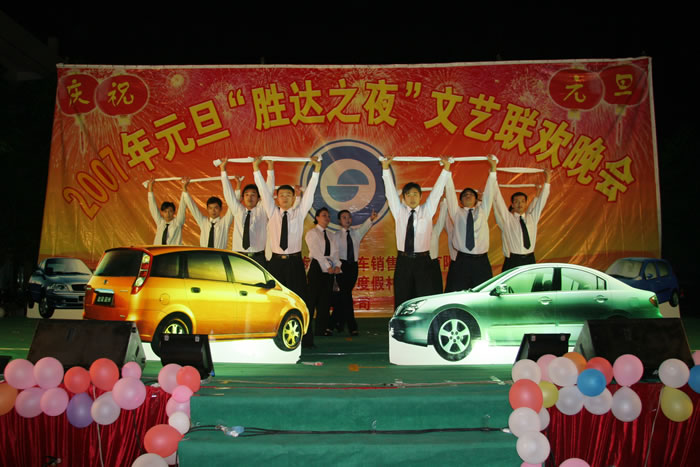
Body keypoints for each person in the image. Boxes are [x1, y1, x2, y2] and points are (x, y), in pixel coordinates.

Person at [254, 155, 321, 344]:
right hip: (275, 264)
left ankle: (305, 338)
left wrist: (316, 170)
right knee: (274, 300)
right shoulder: (272, 212)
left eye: (288, 195)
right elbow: (263, 191)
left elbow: (309, 194)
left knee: (300, 300)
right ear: (277, 198)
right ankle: (273, 338)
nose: (284, 198)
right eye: (281, 195)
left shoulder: (299, 214)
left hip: (294, 263)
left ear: (293, 199)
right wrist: (257, 169)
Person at [382, 156, 451, 309]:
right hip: (404, 261)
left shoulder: (427, 211)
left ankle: (424, 324)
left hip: (423, 262)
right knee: (402, 297)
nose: (412, 198)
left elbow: (437, 191)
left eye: (415, 194)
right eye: (408, 195)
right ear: (404, 198)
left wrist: (446, 169)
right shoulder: (399, 212)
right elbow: (390, 193)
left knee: (423, 298)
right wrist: (385, 169)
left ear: (420, 196)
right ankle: (401, 324)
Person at [444, 155, 497, 292]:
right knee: (457, 294)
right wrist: (447, 169)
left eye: (471, 195)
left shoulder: (483, 211)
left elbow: (489, 193)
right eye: (465, 195)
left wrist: (493, 168)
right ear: (460, 201)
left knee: (483, 294)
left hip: (481, 262)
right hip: (462, 261)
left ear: (476, 200)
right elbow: (450, 192)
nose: (468, 196)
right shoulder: (456, 213)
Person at [493, 167, 551, 272]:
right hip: (514, 260)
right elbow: (499, 199)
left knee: (530, 281)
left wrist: (548, 180)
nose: (520, 204)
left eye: (522, 201)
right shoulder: (508, 219)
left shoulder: (532, 218)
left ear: (526, 204)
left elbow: (542, 201)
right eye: (516, 202)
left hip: (530, 258)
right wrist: (493, 174)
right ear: (512, 204)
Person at [220, 158, 275, 266]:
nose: (250, 198)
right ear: (243, 197)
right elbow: (228, 193)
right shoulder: (238, 210)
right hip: (238, 257)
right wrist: (223, 169)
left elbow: (268, 191)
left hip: (258, 258)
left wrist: (270, 168)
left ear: (259, 198)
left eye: (253, 195)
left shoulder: (262, 210)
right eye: (247, 195)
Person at [331, 208, 377, 335]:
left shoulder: (356, 233)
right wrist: (336, 267)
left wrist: (371, 218)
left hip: (353, 267)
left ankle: (336, 322)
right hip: (341, 266)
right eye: (344, 217)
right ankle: (351, 326)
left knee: (344, 296)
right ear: (339, 221)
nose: (347, 219)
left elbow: (365, 227)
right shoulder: (335, 235)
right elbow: (334, 253)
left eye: (349, 217)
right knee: (346, 296)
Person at [305, 207, 341, 337]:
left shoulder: (331, 235)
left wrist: (337, 265)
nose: (327, 218)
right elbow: (316, 252)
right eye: (324, 215)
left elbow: (335, 252)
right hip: (317, 267)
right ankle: (306, 329)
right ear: (317, 217)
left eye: (328, 216)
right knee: (312, 299)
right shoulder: (312, 233)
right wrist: (326, 266)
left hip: (330, 269)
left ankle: (321, 330)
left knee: (325, 300)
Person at [182, 177, 234, 249]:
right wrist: (184, 188)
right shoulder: (203, 222)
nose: (213, 211)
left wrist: (238, 188)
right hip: (204, 254)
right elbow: (192, 208)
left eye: (216, 208)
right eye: (210, 208)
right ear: (207, 209)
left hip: (219, 254)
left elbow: (232, 206)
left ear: (220, 209)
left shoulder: (224, 222)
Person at [147, 179, 186, 245]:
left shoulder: (178, 223)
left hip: (172, 250)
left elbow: (182, 206)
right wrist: (150, 188)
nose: (168, 213)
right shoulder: (160, 222)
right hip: (158, 249)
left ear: (174, 212)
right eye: (165, 211)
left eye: (170, 211)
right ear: (162, 212)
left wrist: (184, 188)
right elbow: (152, 207)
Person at [429, 198, 448, 294]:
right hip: (419, 263)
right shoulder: (414, 230)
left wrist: (444, 202)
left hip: (433, 264)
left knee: (435, 291)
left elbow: (442, 218)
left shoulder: (435, 230)